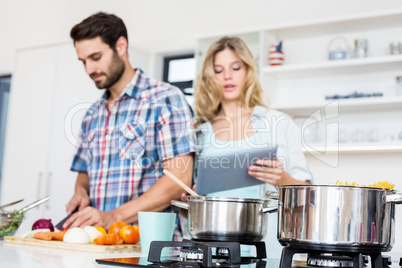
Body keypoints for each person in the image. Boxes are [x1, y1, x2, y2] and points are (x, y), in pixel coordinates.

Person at [63, 12, 197, 239]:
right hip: (98, 242)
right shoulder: (92, 114)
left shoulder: (165, 99)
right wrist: (80, 191)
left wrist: (113, 216)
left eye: (95, 57)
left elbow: (179, 180)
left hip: (151, 248)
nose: (89, 69)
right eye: (83, 61)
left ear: (121, 46)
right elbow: (84, 171)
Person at [192, 36, 313, 256]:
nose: (227, 76)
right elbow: (192, 209)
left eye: (236, 67)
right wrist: (190, 202)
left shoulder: (279, 122)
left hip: (270, 253)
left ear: (248, 71)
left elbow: (308, 200)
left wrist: (282, 180)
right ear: (210, 77)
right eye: (218, 70)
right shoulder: (199, 131)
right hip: (214, 253)